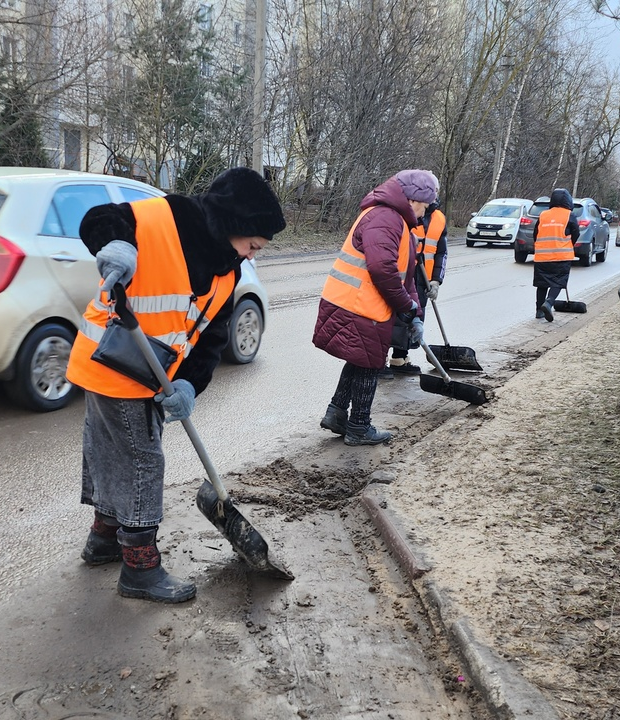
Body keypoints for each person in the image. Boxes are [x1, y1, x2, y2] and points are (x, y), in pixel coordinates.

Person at [65, 167, 286, 603]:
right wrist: (117, 247)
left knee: (113, 453)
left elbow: (211, 340)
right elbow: (99, 218)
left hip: (153, 373)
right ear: (234, 224)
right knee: (143, 463)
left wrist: (188, 386)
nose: (253, 255)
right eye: (252, 244)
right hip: (114, 361)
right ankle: (140, 570)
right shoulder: (163, 217)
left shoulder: (229, 272)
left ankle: (104, 540)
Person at [313, 169, 437, 446]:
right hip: (359, 305)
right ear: (413, 198)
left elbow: (406, 277)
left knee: (360, 359)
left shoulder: (398, 223)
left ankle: (336, 413)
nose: (425, 211)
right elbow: (382, 268)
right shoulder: (386, 217)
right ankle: (359, 427)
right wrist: (405, 307)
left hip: (357, 303)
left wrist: (415, 312)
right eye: (424, 204)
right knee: (370, 365)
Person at [383, 198, 448, 377]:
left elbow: (441, 252)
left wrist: (437, 280)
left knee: (413, 317)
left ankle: (400, 358)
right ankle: (379, 361)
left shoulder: (439, 218)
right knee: (389, 316)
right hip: (401, 273)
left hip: (424, 278)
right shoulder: (404, 212)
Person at [532, 188, 579, 322]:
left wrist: (541, 246)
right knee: (558, 282)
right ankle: (549, 302)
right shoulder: (569, 215)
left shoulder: (543, 215)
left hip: (542, 257)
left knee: (542, 284)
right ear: (568, 201)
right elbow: (575, 233)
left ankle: (538, 311)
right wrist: (569, 244)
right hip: (561, 256)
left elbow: (536, 234)